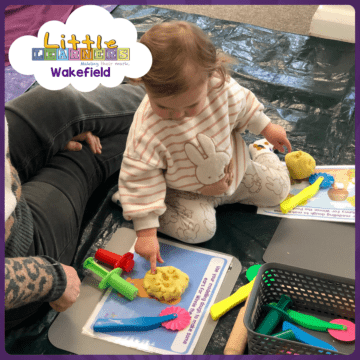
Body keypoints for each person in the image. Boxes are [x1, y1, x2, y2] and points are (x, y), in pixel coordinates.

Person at [112, 21, 292, 274]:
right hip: (186, 192)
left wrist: (267, 128)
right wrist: (146, 232)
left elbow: (243, 107)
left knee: (279, 190)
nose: (179, 115)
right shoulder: (146, 130)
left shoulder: (222, 88)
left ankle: (261, 152)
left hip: (235, 174)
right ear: (143, 83)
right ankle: (136, 207)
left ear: (212, 76)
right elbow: (141, 176)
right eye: (163, 107)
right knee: (200, 231)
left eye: (190, 106)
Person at [5, 82, 146, 330]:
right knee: (83, 155)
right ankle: (168, 115)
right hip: (20, 254)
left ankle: (163, 93)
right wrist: (50, 277)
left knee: (59, 100)